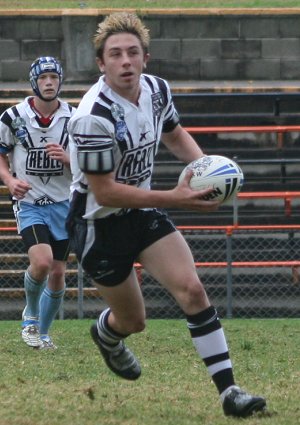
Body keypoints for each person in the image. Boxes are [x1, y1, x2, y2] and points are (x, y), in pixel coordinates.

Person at [66, 12, 267, 417]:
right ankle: (107, 335)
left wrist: (210, 173)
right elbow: (104, 191)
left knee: (192, 290)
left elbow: (175, 136)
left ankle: (230, 393)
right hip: (97, 225)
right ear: (101, 64)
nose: (126, 61)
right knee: (134, 321)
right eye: (115, 54)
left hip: (143, 212)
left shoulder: (157, 90)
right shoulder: (92, 116)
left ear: (146, 58)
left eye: (133, 53)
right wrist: (179, 197)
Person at [0, 56, 75, 349]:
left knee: (57, 271)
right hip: (29, 202)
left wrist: (68, 158)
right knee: (41, 262)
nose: (48, 83)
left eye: (53, 78)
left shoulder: (75, 118)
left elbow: (88, 159)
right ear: (34, 82)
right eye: (43, 78)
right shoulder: (12, 117)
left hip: (64, 203)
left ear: (60, 82)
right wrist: (9, 180)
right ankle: (30, 314)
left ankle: (42, 334)